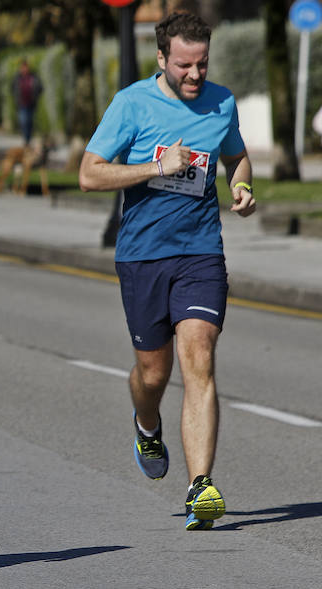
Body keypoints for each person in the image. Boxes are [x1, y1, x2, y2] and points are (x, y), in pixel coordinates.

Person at [78, 12, 255, 531]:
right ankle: (146, 423)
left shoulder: (222, 102)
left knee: (198, 354)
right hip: (142, 256)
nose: (195, 75)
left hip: (201, 252)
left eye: (202, 64)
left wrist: (243, 186)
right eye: (184, 66)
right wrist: (158, 166)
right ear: (162, 59)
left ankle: (201, 485)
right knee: (153, 374)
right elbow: (89, 174)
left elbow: (236, 158)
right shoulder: (132, 103)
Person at [12, 59, 42, 147]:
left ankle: (28, 140)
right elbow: (13, 88)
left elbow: (40, 87)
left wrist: (36, 96)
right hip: (21, 104)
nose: (24, 69)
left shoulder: (34, 77)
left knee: (29, 122)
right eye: (23, 68)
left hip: (31, 104)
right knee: (23, 121)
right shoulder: (17, 78)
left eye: (26, 67)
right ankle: (26, 139)